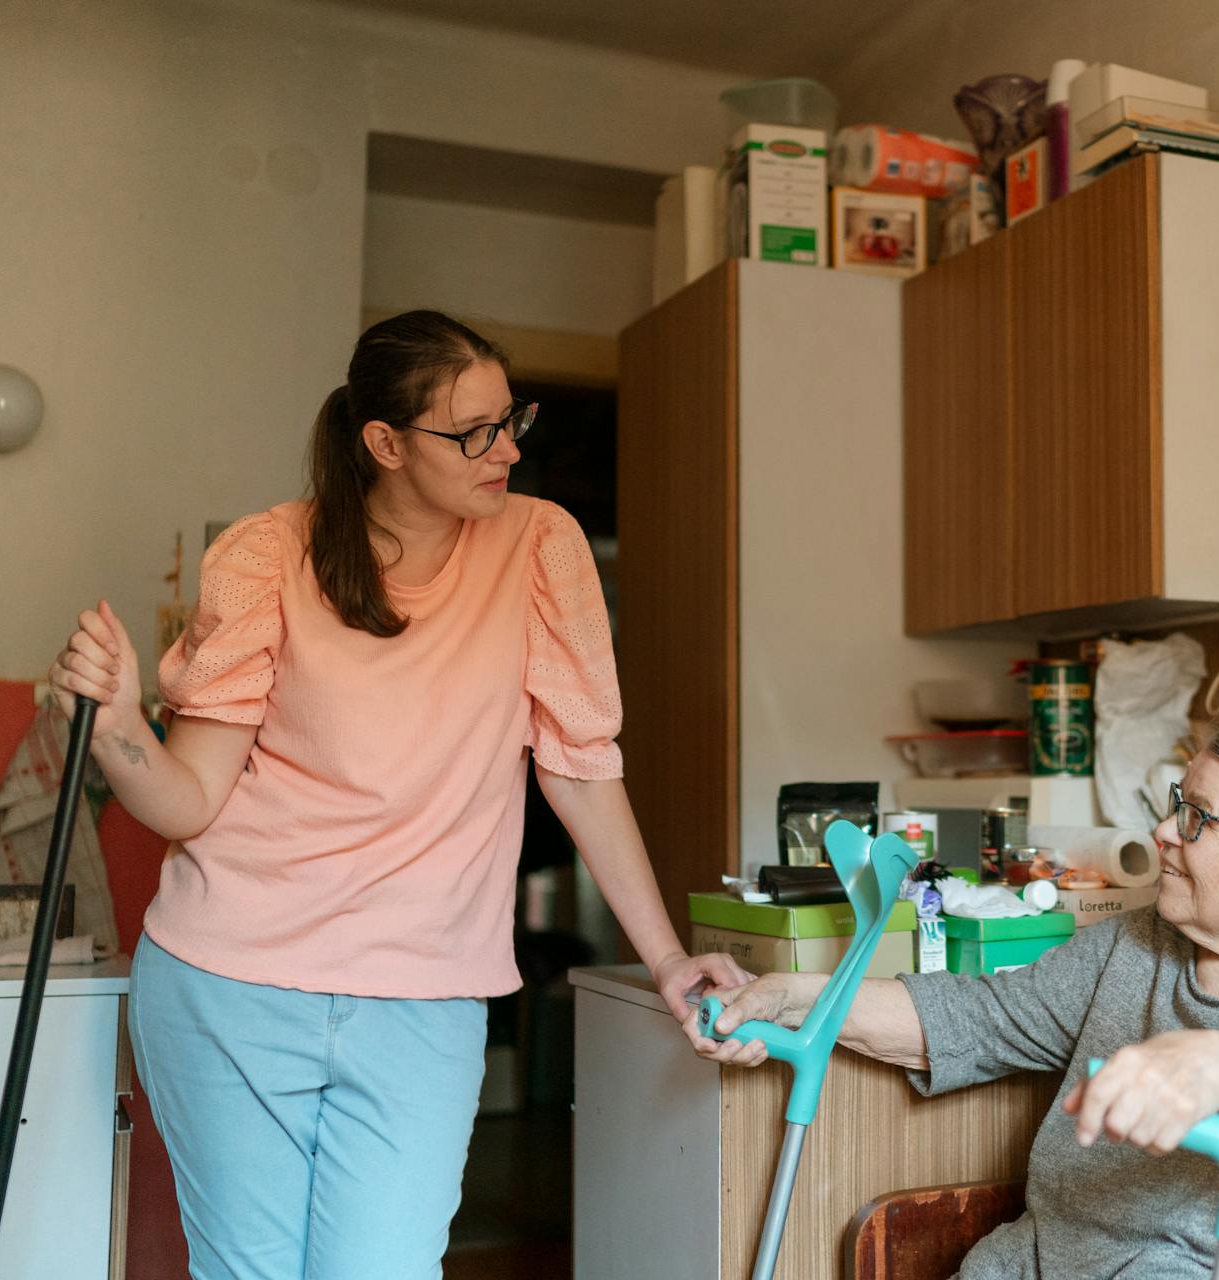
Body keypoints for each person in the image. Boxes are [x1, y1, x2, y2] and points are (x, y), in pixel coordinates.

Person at [47, 310, 745, 1280]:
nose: (505, 451)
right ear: (384, 442)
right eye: (473, 432)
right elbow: (190, 799)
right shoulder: (266, 554)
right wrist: (123, 725)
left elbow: (582, 764)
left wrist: (665, 956)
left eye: (513, 421)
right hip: (230, 980)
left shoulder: (540, 544)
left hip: (425, 996)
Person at [695, 718, 1219, 1280]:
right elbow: (973, 1018)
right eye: (1173, 803)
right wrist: (800, 998)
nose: (1162, 831)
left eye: (1196, 818)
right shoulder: (1136, 946)